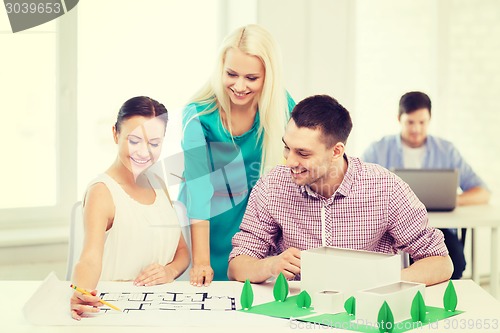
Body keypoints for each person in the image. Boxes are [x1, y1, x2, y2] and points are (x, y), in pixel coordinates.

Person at [228, 94, 453, 286]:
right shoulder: (271, 186)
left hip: (367, 313)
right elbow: (238, 265)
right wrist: (269, 265)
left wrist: (383, 280)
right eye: (287, 147)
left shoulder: (387, 189)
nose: (289, 161)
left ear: (336, 151)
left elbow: (440, 262)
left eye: (303, 153)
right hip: (296, 313)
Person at [178, 24, 295, 286]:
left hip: (253, 226)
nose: (239, 86)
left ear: (268, 77)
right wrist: (201, 262)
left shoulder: (282, 106)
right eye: (231, 74)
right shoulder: (197, 115)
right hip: (204, 223)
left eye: (251, 78)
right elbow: (198, 189)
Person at [70, 96, 190, 320]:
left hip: (159, 311)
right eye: (134, 140)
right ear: (115, 134)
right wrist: (82, 293)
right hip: (115, 311)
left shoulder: (158, 183)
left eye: (154, 144)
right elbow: (89, 258)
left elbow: (182, 252)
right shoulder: (102, 191)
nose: (144, 152)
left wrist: (169, 271)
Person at [362, 91, 490, 279]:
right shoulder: (377, 149)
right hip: (392, 229)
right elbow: (357, 184)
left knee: (455, 262)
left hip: (439, 228)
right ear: (399, 119)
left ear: (429, 120)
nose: (416, 129)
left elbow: (482, 192)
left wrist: (452, 200)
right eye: (410, 122)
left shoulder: (447, 150)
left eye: (422, 122)